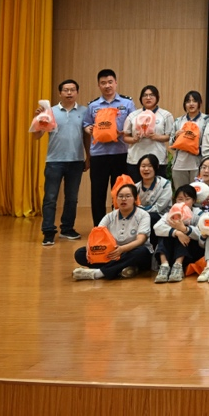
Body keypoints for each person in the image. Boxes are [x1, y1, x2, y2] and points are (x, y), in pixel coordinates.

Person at [82, 69, 135, 226]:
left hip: (121, 153)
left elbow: (134, 124)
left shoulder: (127, 103)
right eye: (103, 83)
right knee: (98, 192)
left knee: (120, 192)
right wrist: (89, 129)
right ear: (99, 85)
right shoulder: (93, 105)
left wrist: (124, 132)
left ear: (116, 83)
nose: (107, 86)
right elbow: (86, 124)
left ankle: (119, 225)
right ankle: (99, 227)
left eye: (110, 82)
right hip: (99, 155)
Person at [38, 78, 87, 246]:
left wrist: (88, 157)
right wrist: (38, 119)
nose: (69, 93)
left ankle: (67, 229)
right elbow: (37, 135)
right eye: (66, 90)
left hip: (76, 161)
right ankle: (48, 231)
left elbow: (86, 137)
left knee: (72, 198)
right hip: (54, 161)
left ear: (77, 92)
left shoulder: (84, 111)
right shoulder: (49, 112)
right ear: (60, 93)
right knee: (50, 198)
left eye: (72, 90)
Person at [70, 182, 152, 281]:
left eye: (128, 196)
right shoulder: (109, 216)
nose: (123, 199)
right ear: (116, 199)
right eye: (120, 196)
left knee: (142, 252)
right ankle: (122, 268)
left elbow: (141, 240)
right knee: (80, 253)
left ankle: (99, 273)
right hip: (112, 253)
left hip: (131, 251)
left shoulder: (143, 215)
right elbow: (96, 236)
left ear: (135, 199)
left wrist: (122, 249)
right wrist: (89, 248)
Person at [153, 184, 203, 284]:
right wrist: (177, 232)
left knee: (184, 234)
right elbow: (157, 227)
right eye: (180, 199)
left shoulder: (199, 214)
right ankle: (164, 266)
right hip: (170, 251)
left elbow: (201, 234)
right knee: (165, 234)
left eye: (187, 199)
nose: (183, 202)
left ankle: (178, 266)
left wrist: (184, 229)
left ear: (193, 200)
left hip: (190, 252)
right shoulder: (170, 213)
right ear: (175, 200)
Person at [122, 85, 172, 181]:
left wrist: (156, 137)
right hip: (135, 159)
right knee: (136, 188)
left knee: (158, 188)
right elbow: (125, 137)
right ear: (141, 98)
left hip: (158, 159)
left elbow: (169, 136)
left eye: (151, 95)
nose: (148, 98)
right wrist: (134, 139)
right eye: (145, 95)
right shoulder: (133, 115)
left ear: (157, 97)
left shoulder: (166, 115)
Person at [171, 90, 209, 191]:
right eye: (188, 101)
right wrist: (176, 137)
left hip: (197, 165)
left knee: (198, 194)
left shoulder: (207, 121)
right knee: (181, 194)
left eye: (194, 101)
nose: (191, 104)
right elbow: (171, 143)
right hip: (179, 165)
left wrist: (198, 150)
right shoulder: (178, 121)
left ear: (199, 103)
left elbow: (208, 144)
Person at [135, 154, 173, 218]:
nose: (146, 169)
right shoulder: (135, 187)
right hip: (140, 217)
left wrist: (139, 212)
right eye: (143, 166)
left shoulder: (165, 185)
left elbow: (158, 208)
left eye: (150, 166)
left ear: (156, 167)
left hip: (161, 217)